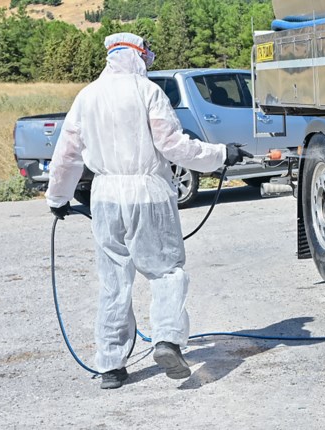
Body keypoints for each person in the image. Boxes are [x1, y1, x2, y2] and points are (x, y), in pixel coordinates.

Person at [46, 32, 251, 389]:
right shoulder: (148, 92)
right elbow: (173, 146)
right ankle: (167, 340)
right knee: (166, 271)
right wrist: (220, 154)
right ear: (137, 55)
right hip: (148, 193)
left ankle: (111, 365)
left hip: (105, 196)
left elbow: (66, 154)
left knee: (113, 280)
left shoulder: (86, 96)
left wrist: (57, 198)